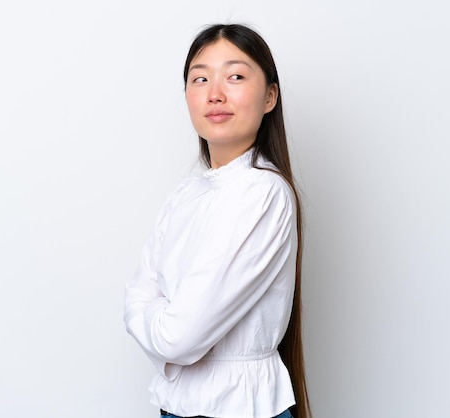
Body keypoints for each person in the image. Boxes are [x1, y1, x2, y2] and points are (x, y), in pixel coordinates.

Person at [124, 23, 311, 418]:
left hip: (240, 409)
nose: (215, 94)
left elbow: (179, 336)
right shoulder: (186, 195)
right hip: (175, 407)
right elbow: (136, 296)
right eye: (200, 78)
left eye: (236, 76)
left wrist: (158, 320)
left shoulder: (263, 193)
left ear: (269, 96)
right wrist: (164, 319)